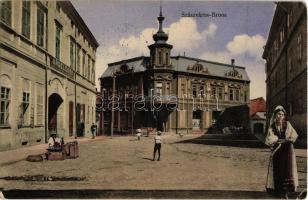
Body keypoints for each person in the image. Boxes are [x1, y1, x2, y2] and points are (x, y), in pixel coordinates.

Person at [265, 105, 298, 198]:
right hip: (277, 150)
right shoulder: (272, 126)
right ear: (275, 115)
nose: (280, 116)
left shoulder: (287, 124)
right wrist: (275, 140)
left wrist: (284, 140)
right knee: (278, 169)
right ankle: (278, 191)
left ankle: (285, 192)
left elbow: (294, 136)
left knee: (287, 170)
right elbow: (269, 139)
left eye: (282, 114)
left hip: (287, 150)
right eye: (279, 114)